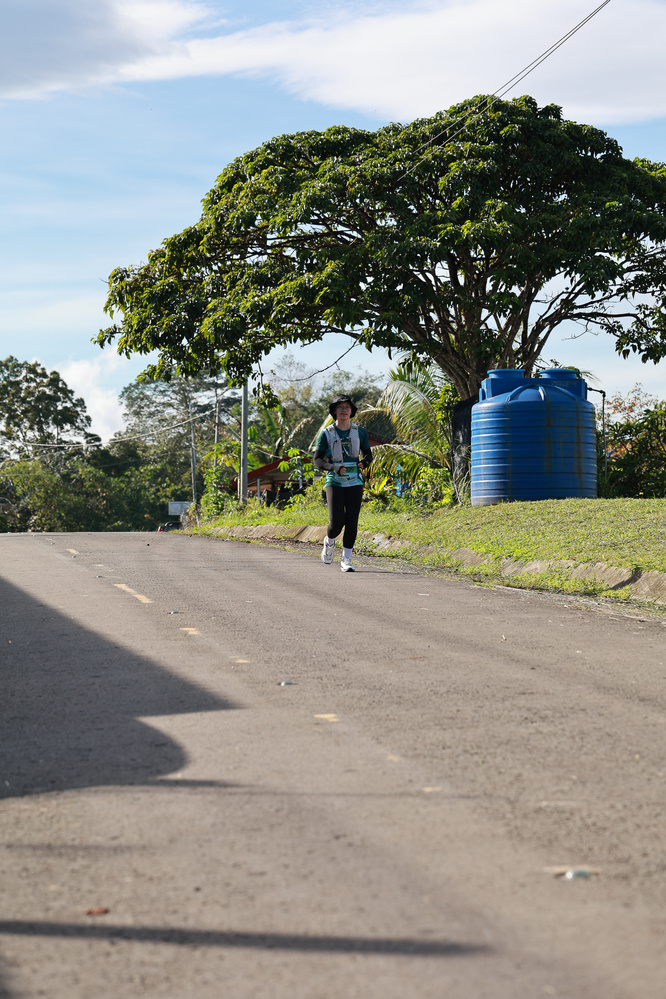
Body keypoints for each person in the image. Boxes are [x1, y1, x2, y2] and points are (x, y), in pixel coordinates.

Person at [313, 394, 372, 572]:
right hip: (335, 481)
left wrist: (364, 462)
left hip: (355, 481)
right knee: (337, 520)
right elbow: (317, 460)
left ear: (352, 411)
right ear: (334, 411)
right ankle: (329, 541)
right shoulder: (327, 433)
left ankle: (346, 559)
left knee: (352, 521)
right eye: (340, 407)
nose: (344, 410)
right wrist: (333, 467)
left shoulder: (360, 432)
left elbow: (368, 454)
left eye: (347, 407)